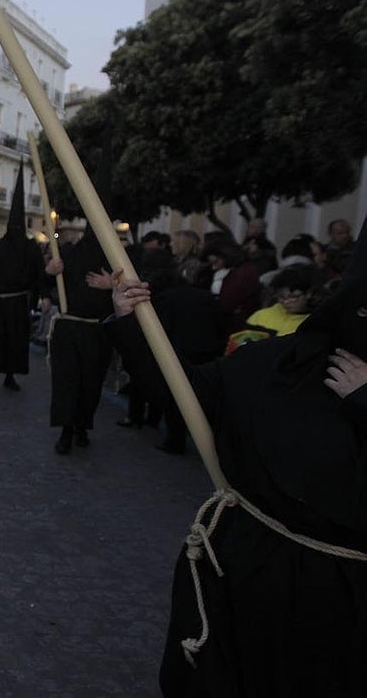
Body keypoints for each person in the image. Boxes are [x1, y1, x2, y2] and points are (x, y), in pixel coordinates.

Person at [109, 219, 367, 695]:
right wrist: (131, 322)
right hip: (237, 576)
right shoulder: (281, 361)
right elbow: (185, 393)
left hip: (336, 611)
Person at [44, 225, 114, 453]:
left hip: (98, 331)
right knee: (66, 381)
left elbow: (138, 287)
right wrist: (50, 272)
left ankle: (82, 426)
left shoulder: (117, 258)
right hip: (68, 327)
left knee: (91, 383)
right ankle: (66, 431)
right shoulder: (68, 253)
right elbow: (46, 282)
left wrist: (113, 285)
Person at [0, 165, 43, 391]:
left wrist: (34, 300)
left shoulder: (30, 248)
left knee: (15, 340)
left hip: (17, 303)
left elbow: (38, 274)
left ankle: (10, 375)